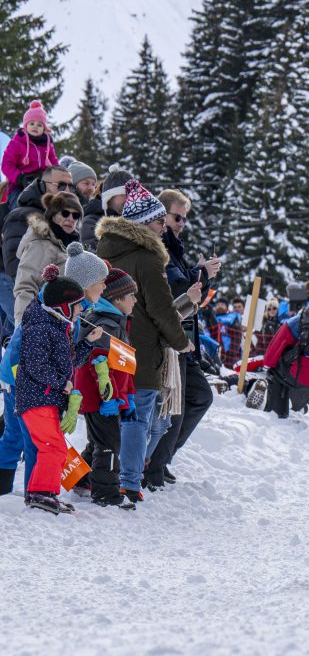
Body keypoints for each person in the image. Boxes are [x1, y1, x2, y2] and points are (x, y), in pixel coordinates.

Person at [95, 179, 196, 503]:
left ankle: (113, 475)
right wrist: (181, 342)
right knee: (143, 418)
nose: (163, 227)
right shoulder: (149, 258)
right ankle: (129, 480)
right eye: (157, 221)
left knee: (121, 416)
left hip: (111, 341)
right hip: (142, 348)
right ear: (142, 224)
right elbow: (161, 308)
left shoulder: (107, 249)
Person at [146, 188, 220, 489]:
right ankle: (153, 466)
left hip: (184, 334)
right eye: (177, 217)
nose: (180, 224)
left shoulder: (174, 246)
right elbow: (177, 285)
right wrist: (200, 272)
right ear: (162, 215)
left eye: (184, 219)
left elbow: (189, 290)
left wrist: (202, 274)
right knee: (173, 407)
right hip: (171, 335)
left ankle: (161, 459)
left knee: (200, 397)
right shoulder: (159, 245)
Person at [15, 266, 103, 513]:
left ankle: (40, 492)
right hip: (36, 398)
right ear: (64, 307)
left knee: (52, 447)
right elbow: (35, 365)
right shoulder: (41, 328)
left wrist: (88, 343)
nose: (81, 310)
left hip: (44, 398)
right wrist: (61, 383)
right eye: (77, 306)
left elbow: (69, 363)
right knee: (54, 446)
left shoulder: (56, 326)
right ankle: (42, 493)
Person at [74, 267, 139, 507]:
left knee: (99, 440)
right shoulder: (107, 325)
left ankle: (81, 480)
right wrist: (109, 397)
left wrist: (127, 395)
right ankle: (106, 493)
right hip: (101, 398)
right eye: (131, 295)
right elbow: (97, 362)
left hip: (108, 396)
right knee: (109, 444)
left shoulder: (116, 322)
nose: (135, 300)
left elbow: (124, 364)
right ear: (118, 298)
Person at [12, 192, 82, 322]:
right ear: (53, 215)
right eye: (65, 213)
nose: (71, 218)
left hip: (64, 322)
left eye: (76, 215)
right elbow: (26, 287)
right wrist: (24, 325)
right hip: (44, 324)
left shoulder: (69, 245)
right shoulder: (41, 244)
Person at [1, 101, 59, 206]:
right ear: (26, 126)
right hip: (19, 185)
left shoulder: (47, 144)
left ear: (44, 128)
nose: (35, 127)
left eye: (39, 125)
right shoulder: (17, 143)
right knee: (19, 207)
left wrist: (59, 176)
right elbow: (6, 165)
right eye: (32, 123)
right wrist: (20, 178)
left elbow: (54, 163)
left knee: (54, 206)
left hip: (42, 185)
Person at [80, 166, 132, 252]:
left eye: (132, 196)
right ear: (109, 196)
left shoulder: (133, 220)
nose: (129, 199)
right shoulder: (90, 223)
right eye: (124, 194)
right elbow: (93, 257)